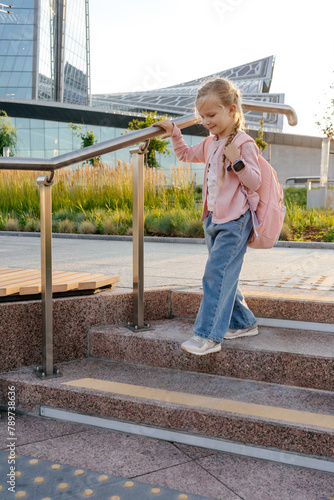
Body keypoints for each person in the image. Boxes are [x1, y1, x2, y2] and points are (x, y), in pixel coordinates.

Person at [153, 77, 261, 356]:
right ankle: (244, 322)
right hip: (213, 219)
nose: (206, 121)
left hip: (236, 221)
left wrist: (236, 159)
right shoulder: (210, 142)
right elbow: (186, 155)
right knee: (223, 274)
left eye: (211, 115)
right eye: (202, 116)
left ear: (232, 110)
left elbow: (255, 181)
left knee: (215, 275)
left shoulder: (243, 142)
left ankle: (208, 336)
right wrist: (176, 133)